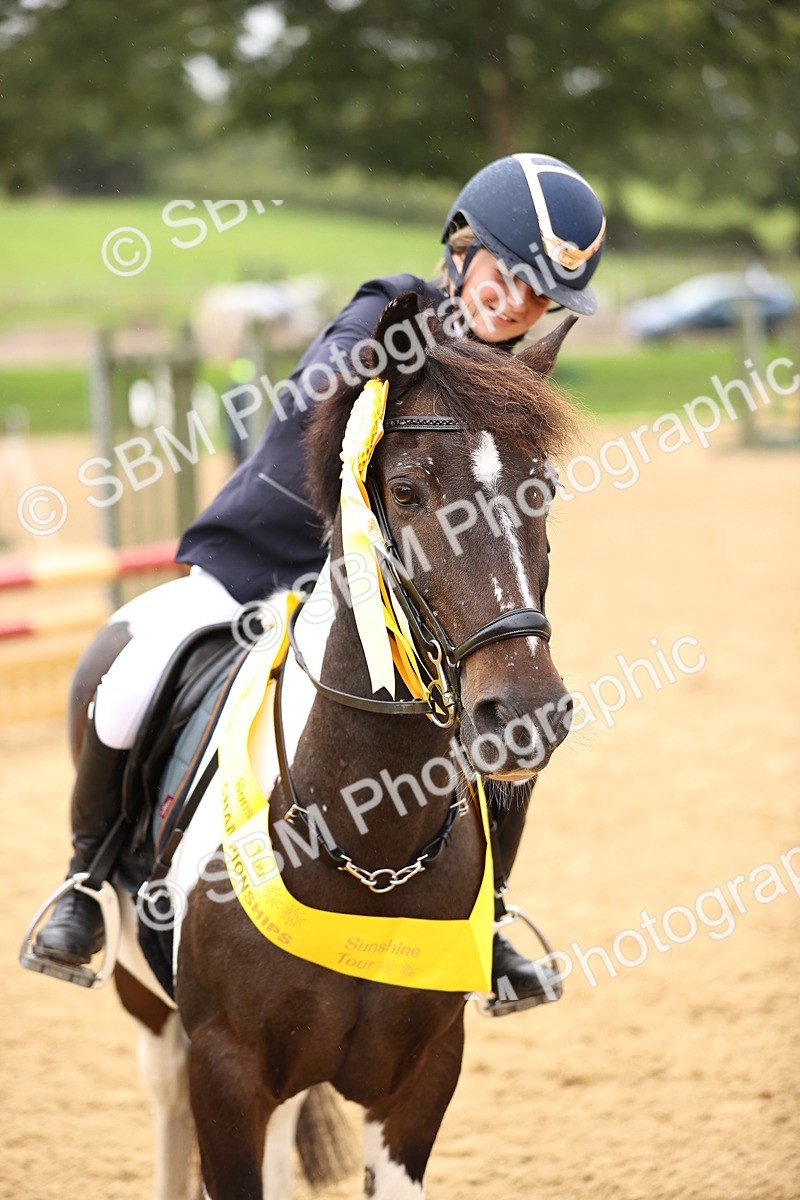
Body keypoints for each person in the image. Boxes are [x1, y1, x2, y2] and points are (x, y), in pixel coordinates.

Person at [32, 152, 606, 1008]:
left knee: (509, 714)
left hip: (393, 604)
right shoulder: (391, 311)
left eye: (541, 294)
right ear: (461, 247)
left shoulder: (504, 379)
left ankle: (485, 919)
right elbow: (320, 390)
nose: (519, 301)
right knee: (127, 673)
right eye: (508, 273)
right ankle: (85, 880)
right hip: (260, 561)